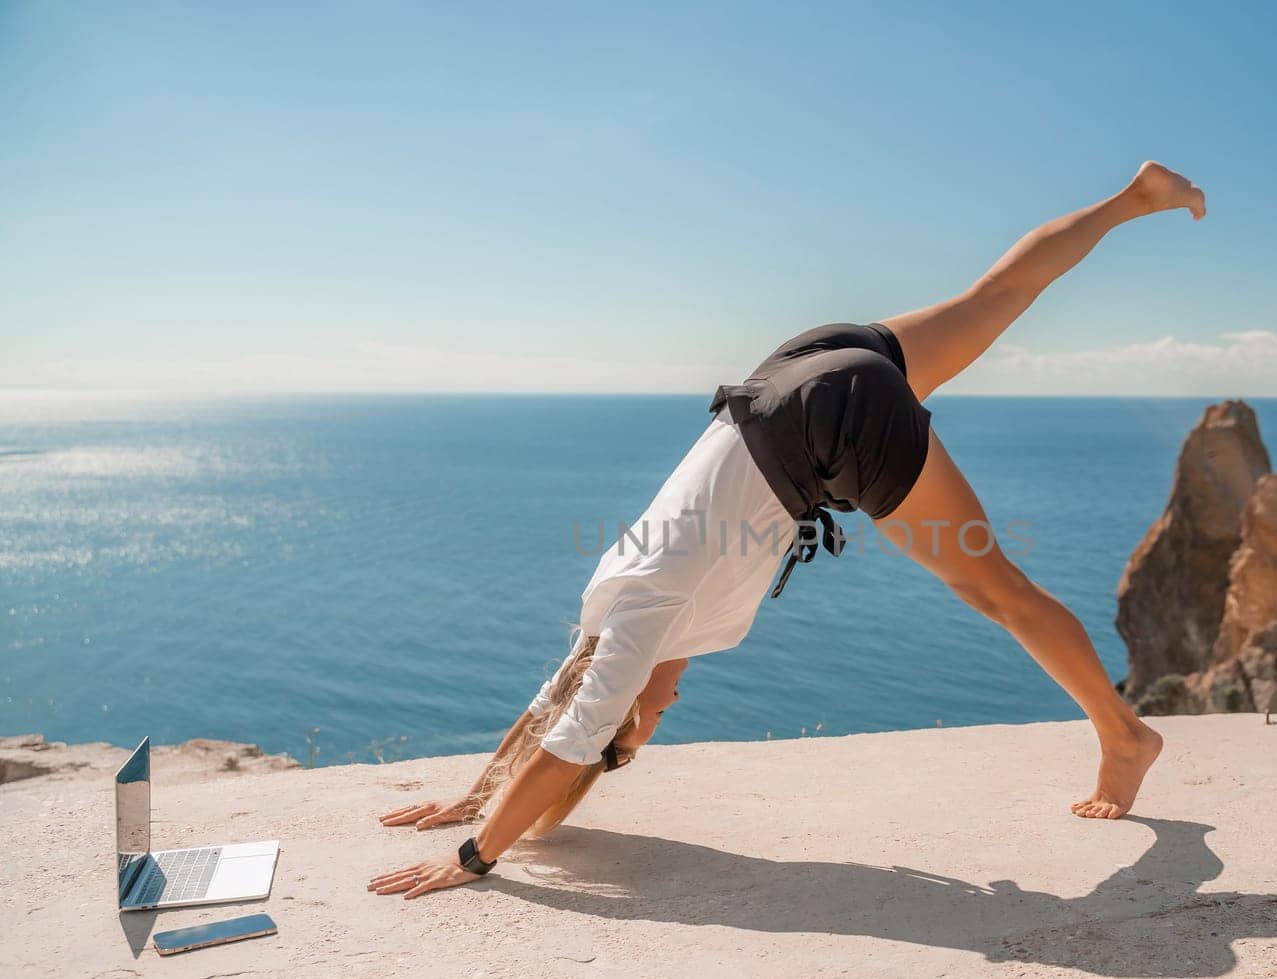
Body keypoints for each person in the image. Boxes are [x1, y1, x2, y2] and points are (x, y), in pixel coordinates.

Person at [368, 161, 1207, 900]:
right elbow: (550, 710)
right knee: (994, 297)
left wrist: (475, 855)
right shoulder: (609, 607)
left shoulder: (638, 629)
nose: (665, 707)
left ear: (623, 709)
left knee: (998, 592)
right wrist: (478, 790)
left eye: (647, 723)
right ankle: (1136, 197)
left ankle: (1124, 734)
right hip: (786, 377)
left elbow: (568, 737)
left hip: (835, 422)